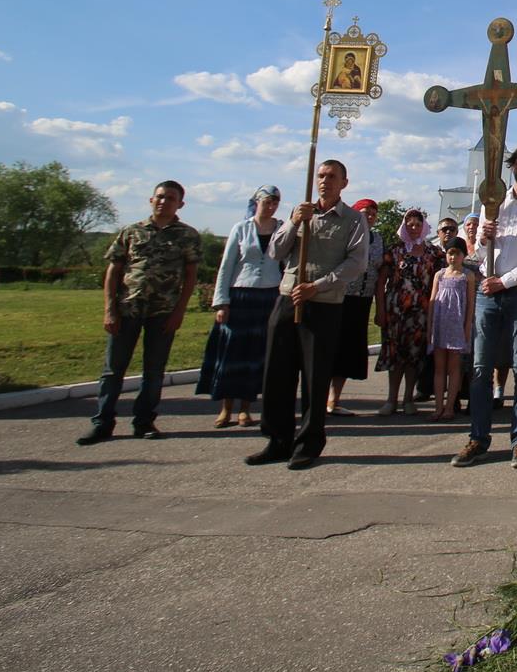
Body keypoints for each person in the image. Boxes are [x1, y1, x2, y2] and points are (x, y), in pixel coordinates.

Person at [247, 160, 366, 469]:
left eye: (332, 177)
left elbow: (356, 263)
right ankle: (277, 440)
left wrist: (318, 286)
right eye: (321, 176)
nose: (325, 181)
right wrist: (294, 222)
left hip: (323, 303)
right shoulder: (300, 213)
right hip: (288, 298)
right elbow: (275, 252)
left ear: (344, 182)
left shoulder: (352, 220)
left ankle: (308, 443)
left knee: (315, 375)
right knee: (277, 372)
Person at [455, 146, 517, 470]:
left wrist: (507, 281)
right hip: (488, 289)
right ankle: (478, 438)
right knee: (482, 368)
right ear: (512, 167)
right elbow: (480, 252)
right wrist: (484, 238)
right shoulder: (492, 203)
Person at [79, 181, 201, 445]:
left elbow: (191, 276)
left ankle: (144, 421)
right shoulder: (131, 232)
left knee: (154, 370)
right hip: (128, 309)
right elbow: (114, 270)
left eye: (170, 198)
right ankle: (102, 423)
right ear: (150, 200)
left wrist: (180, 311)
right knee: (113, 370)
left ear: (180, 204)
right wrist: (109, 309)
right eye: (159, 197)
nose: (163, 202)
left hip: (163, 311)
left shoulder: (187, 236)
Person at [198, 184, 280, 429]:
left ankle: (246, 408)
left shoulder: (281, 228)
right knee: (232, 351)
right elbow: (226, 266)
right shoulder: (241, 229)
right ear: (256, 202)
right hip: (241, 296)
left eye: (275, 201)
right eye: (267, 201)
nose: (271, 205)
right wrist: (221, 302)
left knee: (257, 353)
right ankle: (226, 408)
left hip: (269, 296)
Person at [375, 208, 436, 415]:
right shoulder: (394, 251)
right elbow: (381, 281)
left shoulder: (432, 253)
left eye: (418, 225)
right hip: (396, 311)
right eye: (410, 225)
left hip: (420, 313)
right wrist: (381, 310)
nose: (414, 228)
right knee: (395, 356)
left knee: (413, 356)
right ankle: (391, 399)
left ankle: (408, 398)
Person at [327, 196, 381, 418]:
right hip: (340, 296)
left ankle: (334, 399)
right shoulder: (346, 233)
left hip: (363, 299)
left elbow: (380, 272)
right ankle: (319, 397)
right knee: (331, 346)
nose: (369, 216)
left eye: (373, 213)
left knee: (348, 350)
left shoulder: (377, 239)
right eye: (366, 212)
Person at [428, 240, 479, 421]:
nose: (453, 257)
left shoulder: (468, 276)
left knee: (454, 368)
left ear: (463, 255)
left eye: (457, 253)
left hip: (457, 325)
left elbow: (471, 303)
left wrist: (467, 327)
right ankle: (438, 407)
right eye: (450, 253)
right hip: (440, 325)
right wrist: (429, 327)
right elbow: (433, 301)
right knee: (439, 368)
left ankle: (450, 406)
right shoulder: (439, 275)